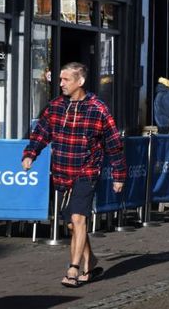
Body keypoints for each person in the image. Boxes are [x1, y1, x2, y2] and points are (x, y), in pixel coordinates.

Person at [22, 62, 126, 287]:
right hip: (62, 173)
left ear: (80, 81)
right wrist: (30, 154)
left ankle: (73, 269)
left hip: (86, 172)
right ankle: (91, 260)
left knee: (79, 219)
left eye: (66, 80)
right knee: (71, 225)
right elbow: (41, 133)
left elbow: (114, 144)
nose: (61, 84)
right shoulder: (55, 106)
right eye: (60, 79)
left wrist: (119, 175)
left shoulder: (98, 108)